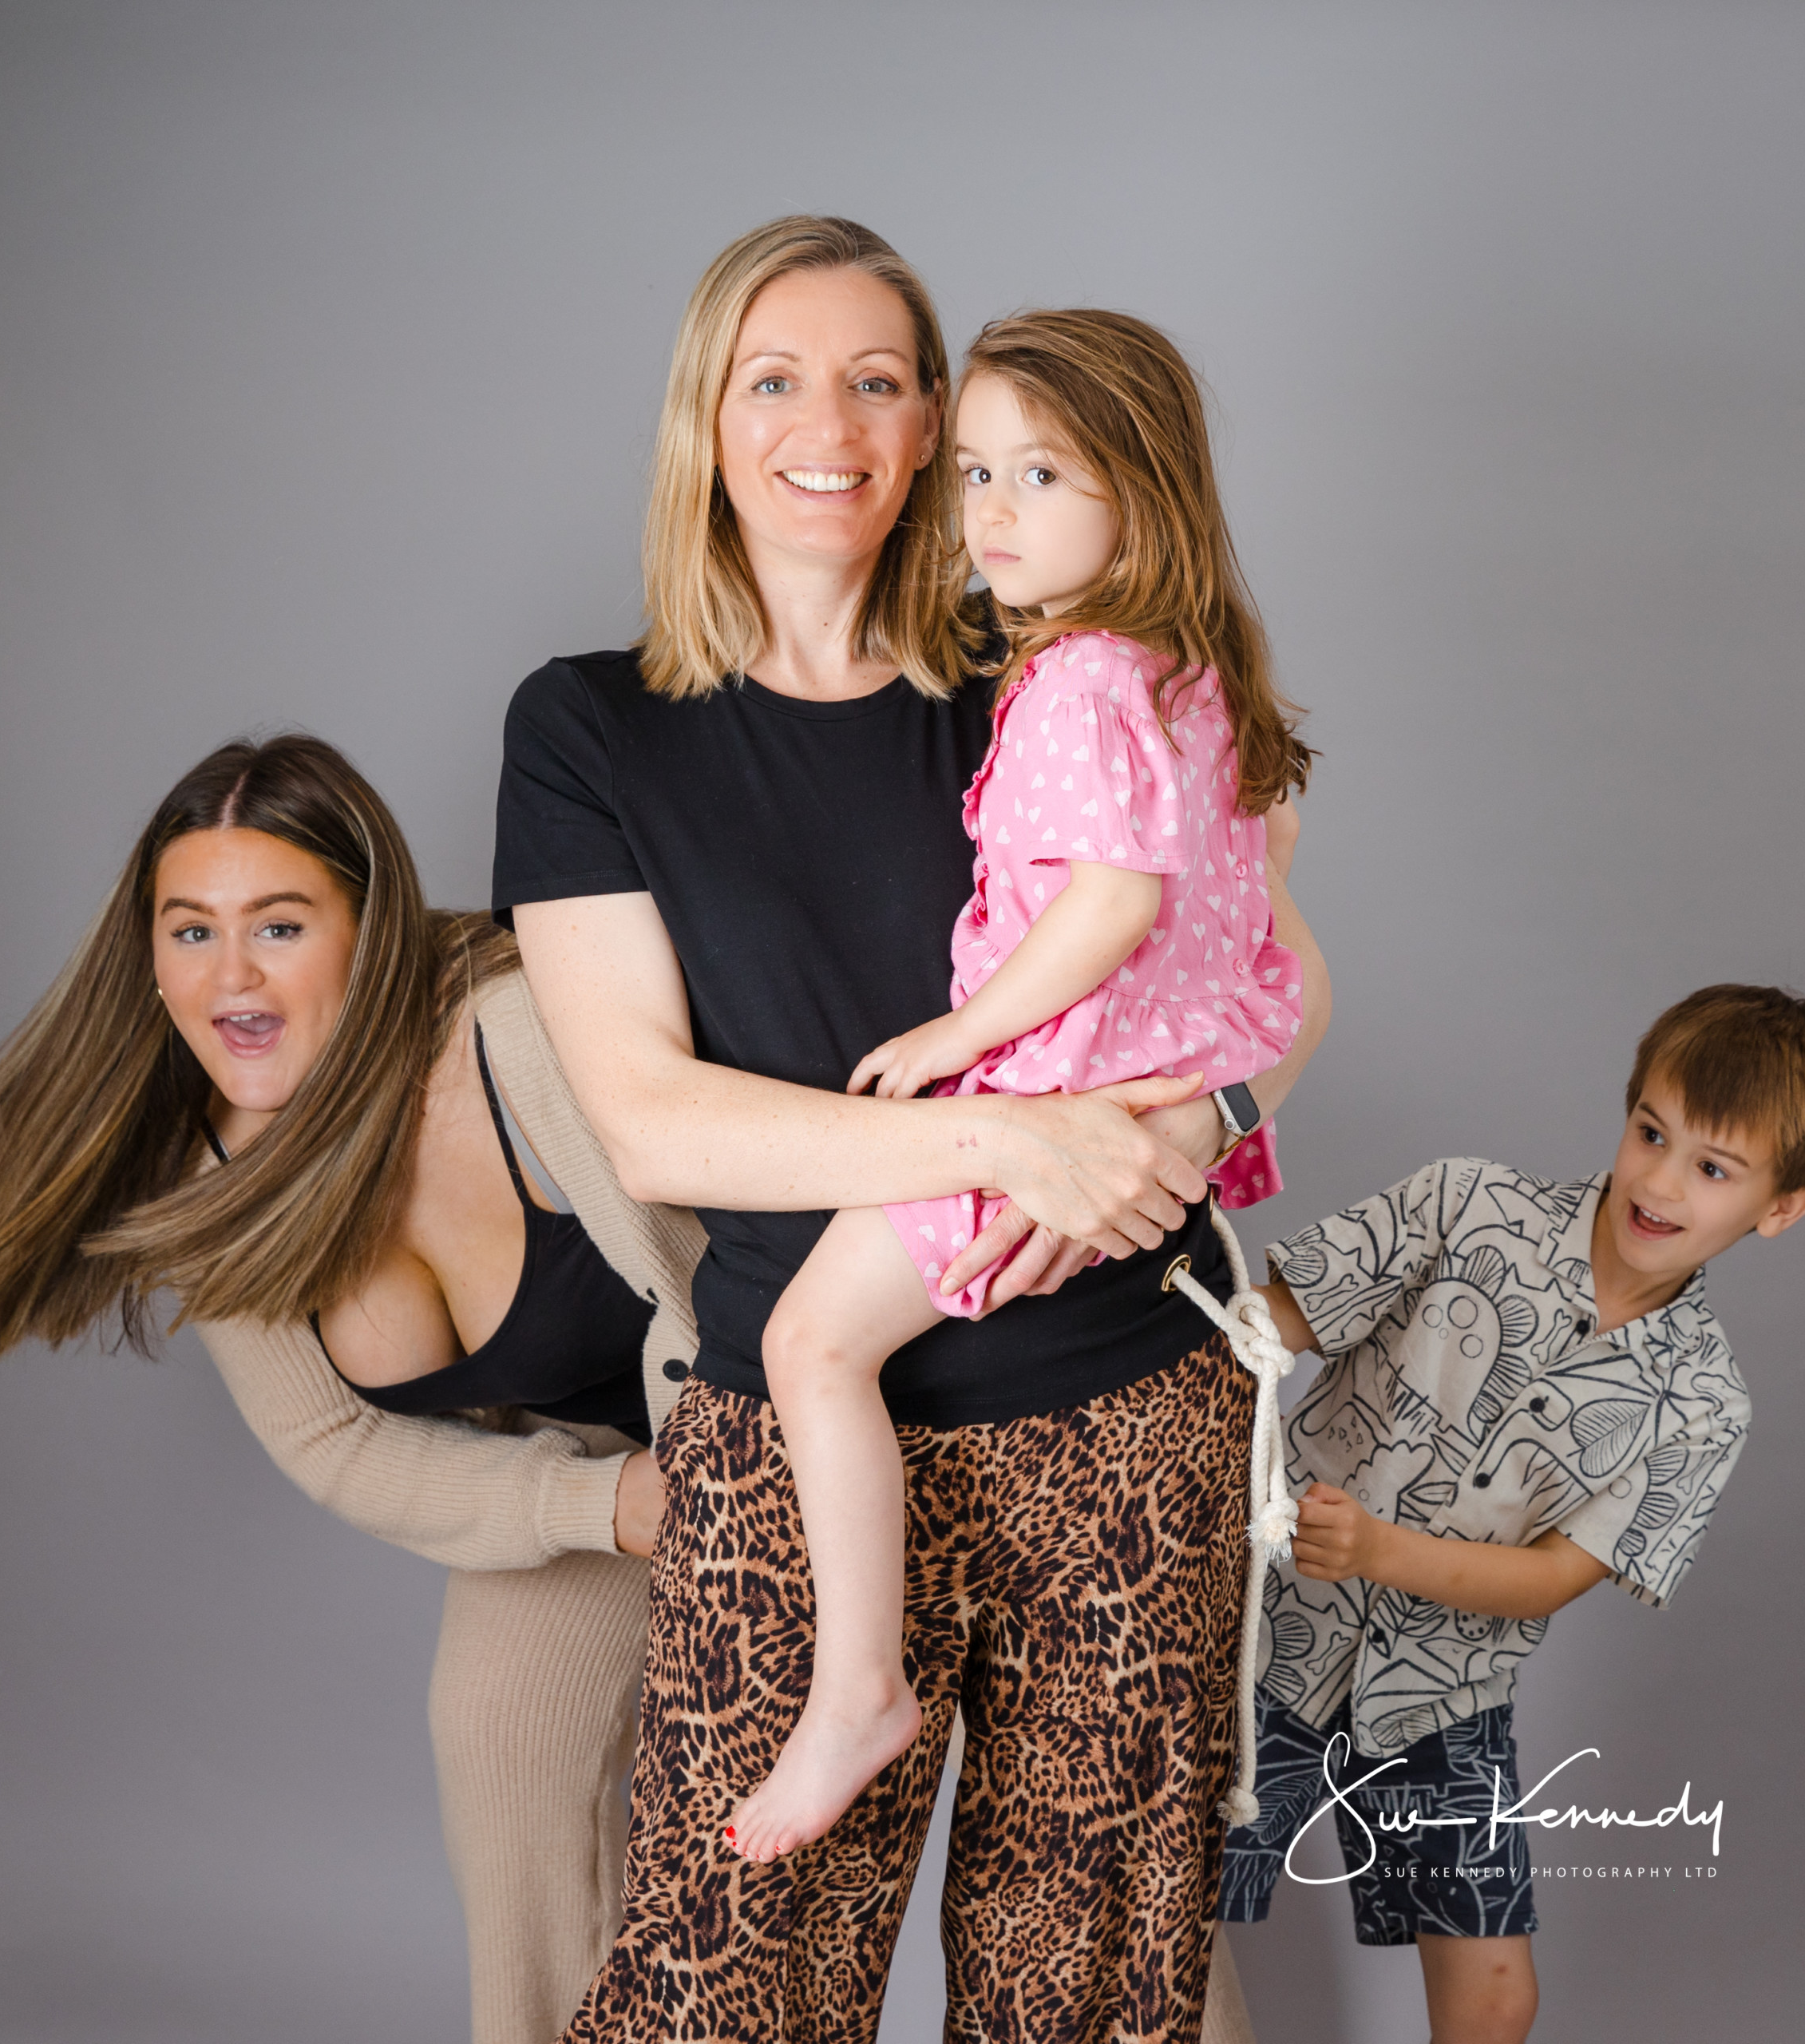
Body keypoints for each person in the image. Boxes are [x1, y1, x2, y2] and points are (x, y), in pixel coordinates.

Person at [497, 214, 1328, 2040]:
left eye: (880, 380)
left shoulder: (1053, 666)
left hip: (1119, 1407)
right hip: (791, 1442)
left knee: (1091, 1994)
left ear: (940, 419)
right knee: (724, 1985)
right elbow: (650, 1121)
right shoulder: (589, 731)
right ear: (702, 418)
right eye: (774, 377)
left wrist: (1187, 1119)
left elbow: (1274, 969)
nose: (831, 423)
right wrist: (1005, 1143)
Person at [0, 733, 707, 2044]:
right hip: (618, 1472)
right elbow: (332, 1445)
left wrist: (724, 1498)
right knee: (492, 1737)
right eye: (190, 931)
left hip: (809, 1408)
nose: (232, 976)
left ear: (367, 936)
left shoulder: (512, 1033)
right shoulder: (214, 1173)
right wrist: (611, 1505)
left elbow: (732, 1281)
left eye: (279, 924)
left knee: (765, 1827)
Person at [727, 310, 1312, 1864]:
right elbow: (1248, 902)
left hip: (1051, 1091)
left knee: (807, 1339)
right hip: (1156, 1086)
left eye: (1039, 474)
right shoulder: (1197, 674)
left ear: (1142, 492)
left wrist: (948, 1036)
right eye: (975, 470)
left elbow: (1111, 900)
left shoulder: (1073, 682)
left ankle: (856, 1686)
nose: (988, 512)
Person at [1207, 984, 1805, 2044]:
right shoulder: (1465, 1205)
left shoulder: (1701, 1403)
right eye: (1651, 1131)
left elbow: (1556, 1575)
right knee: (1161, 1923)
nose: (1658, 1179)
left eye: (1713, 1168)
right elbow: (1265, 1328)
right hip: (1267, 1645)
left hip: (1445, 1699)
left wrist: (1378, 1549)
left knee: (1499, 1995)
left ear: (1783, 1205)